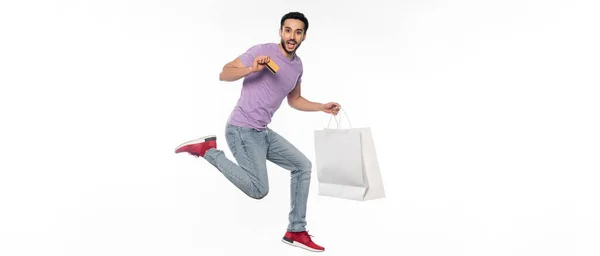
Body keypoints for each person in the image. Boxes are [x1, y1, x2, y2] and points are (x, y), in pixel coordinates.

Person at [174, 12, 340, 252]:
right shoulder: (262, 51)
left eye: (298, 32)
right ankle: (209, 151)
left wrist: (321, 107)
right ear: (280, 32)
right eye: (288, 30)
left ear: (304, 36)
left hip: (262, 132)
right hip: (241, 130)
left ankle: (295, 229)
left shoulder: (298, 66)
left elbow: (294, 100)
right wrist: (251, 68)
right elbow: (224, 73)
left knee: (302, 166)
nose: (292, 36)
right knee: (259, 189)